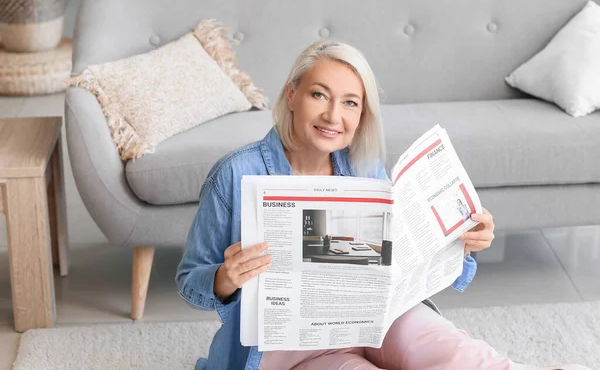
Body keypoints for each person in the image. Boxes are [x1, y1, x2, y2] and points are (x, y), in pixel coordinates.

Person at [176, 41, 590, 370]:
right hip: (283, 350)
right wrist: (224, 279)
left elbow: (399, 259)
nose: (333, 115)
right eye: (319, 95)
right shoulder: (235, 173)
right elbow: (190, 281)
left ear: (362, 112)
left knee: (446, 347)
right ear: (292, 95)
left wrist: (461, 244)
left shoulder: (365, 169)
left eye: (350, 102)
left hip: (371, 322)